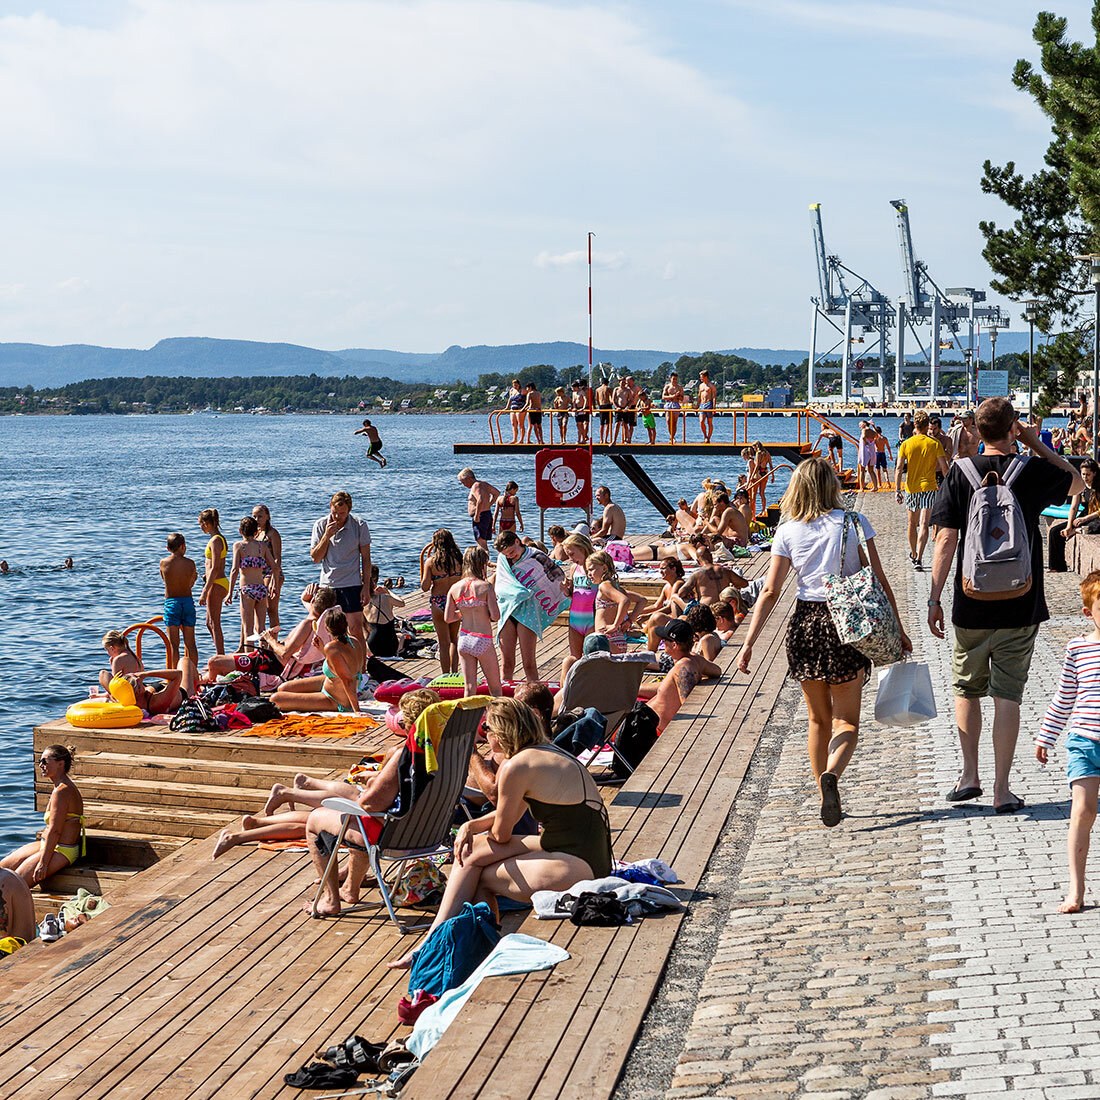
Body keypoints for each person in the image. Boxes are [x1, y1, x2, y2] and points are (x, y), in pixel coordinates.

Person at [738, 457, 911, 827]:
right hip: (846, 623)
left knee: (817, 719)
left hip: (806, 623)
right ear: (831, 485)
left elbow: (770, 590)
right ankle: (833, 774)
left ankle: (823, 793)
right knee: (846, 721)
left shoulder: (786, 531)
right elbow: (877, 579)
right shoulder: (852, 522)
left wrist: (749, 641)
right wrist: (898, 626)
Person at [928, 399, 1082, 814]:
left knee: (966, 689)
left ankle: (968, 777)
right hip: (1021, 601)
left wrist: (933, 598)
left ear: (977, 431)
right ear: (1014, 428)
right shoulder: (1029, 471)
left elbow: (945, 541)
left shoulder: (960, 474)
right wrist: (1038, 445)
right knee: (1007, 695)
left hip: (970, 602)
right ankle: (1001, 789)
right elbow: (1078, 484)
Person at [388, 697, 613, 967]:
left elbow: (502, 834)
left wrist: (472, 830)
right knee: (473, 852)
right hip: (585, 849)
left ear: (501, 732)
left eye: (486, 730)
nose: (485, 737)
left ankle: (457, 947)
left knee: (481, 875)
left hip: (577, 863)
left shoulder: (516, 766)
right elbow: (511, 814)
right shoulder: (546, 751)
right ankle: (438, 941)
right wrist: (470, 826)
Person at [304, 689, 444, 915]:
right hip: (432, 833)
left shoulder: (406, 754)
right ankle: (350, 888)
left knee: (316, 820)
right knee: (356, 821)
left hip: (397, 837)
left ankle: (330, 900)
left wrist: (365, 791)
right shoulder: (446, 751)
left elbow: (371, 804)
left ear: (406, 721)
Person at [1036, 571, 1100, 912]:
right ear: (1089, 612)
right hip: (1084, 743)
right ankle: (1076, 889)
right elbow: (1064, 696)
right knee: (1083, 810)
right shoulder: (1077, 648)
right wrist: (1047, 734)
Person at [2, 744, 85, 887]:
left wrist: (43, 863)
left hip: (61, 850)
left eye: (45, 761)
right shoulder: (58, 788)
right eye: (39, 761)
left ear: (60, 764)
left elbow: (55, 830)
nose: (41, 765)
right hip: (47, 844)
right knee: (2, 868)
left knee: (14, 885)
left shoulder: (63, 791)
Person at [494, 530, 568, 682]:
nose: (510, 555)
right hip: (508, 610)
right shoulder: (503, 559)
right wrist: (519, 592)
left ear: (517, 541)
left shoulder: (536, 556)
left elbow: (556, 576)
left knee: (529, 663)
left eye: (511, 552)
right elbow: (501, 584)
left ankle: (534, 695)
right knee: (506, 664)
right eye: (506, 554)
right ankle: (503, 699)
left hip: (528, 611)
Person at [635, 619, 722, 733]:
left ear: (674, 645)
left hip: (647, 729)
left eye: (665, 639)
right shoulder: (695, 660)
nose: (662, 641)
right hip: (647, 718)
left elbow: (687, 706)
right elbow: (717, 671)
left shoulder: (683, 669)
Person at [272, 608, 364, 714]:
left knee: (275, 699)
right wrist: (322, 649)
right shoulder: (354, 641)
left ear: (326, 628)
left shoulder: (332, 648)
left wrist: (356, 710)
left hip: (336, 699)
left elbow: (348, 680)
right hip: (331, 683)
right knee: (283, 688)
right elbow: (343, 664)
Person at [310, 491, 373, 647]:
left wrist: (366, 587)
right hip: (328, 585)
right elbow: (315, 558)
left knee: (356, 629)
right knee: (328, 632)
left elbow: (366, 559)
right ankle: (333, 666)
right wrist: (327, 535)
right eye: (335, 512)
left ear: (349, 511)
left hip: (351, 583)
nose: (338, 516)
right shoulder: (320, 525)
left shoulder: (359, 525)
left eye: (342, 513)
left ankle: (361, 667)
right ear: (330, 507)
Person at [894, 410, 948, 571]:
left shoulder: (906, 444)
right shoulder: (934, 443)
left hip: (912, 488)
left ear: (915, 426)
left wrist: (897, 489)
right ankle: (919, 557)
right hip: (930, 486)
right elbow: (944, 468)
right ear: (927, 426)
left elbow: (898, 468)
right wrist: (950, 485)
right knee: (924, 523)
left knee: (912, 523)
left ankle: (913, 552)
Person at [447, 546, 502, 696]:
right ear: (482, 564)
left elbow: (448, 617)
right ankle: (497, 718)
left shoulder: (454, 588)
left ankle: (468, 718)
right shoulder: (485, 587)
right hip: (482, 639)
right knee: (495, 688)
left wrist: (464, 612)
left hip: (464, 639)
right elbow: (495, 616)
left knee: (469, 688)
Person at [228, 516, 276, 647]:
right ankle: (262, 657)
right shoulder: (263, 546)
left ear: (240, 531)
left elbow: (234, 570)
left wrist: (230, 592)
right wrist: (274, 584)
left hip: (247, 590)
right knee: (261, 628)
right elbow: (274, 566)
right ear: (256, 532)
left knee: (248, 628)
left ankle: (248, 660)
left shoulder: (238, 546)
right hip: (261, 589)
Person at [421, 529, 463, 674]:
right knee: (454, 640)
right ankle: (455, 672)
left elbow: (425, 587)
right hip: (454, 601)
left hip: (438, 602)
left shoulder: (431, 562)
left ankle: (445, 675)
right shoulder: (459, 559)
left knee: (443, 643)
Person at [588, 550, 646, 653]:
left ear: (604, 568)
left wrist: (615, 625)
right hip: (619, 638)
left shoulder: (604, 586)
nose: (589, 574)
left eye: (591, 569)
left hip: (607, 638)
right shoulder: (616, 587)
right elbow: (642, 600)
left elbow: (624, 601)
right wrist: (629, 621)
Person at [1051, 458, 1100, 572]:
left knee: (1094, 527)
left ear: (1094, 473)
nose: (1085, 477)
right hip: (1085, 513)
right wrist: (1069, 526)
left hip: (1095, 515)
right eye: (1083, 474)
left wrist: (1085, 519)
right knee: (1055, 532)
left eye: (1088, 474)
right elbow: (1074, 506)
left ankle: (1078, 530)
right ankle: (1057, 566)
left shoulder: (1098, 486)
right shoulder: (1081, 485)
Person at [160, 532, 198, 669]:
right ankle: (193, 675)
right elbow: (191, 583)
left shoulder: (163, 563)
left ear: (168, 548)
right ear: (183, 546)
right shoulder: (190, 563)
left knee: (173, 645)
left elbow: (165, 580)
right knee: (190, 644)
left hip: (172, 603)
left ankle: (173, 676)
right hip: (187, 602)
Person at [198, 508, 229, 656]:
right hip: (214, 581)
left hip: (217, 582)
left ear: (208, 523)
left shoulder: (216, 540)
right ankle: (219, 654)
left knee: (214, 623)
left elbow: (216, 567)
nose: (200, 527)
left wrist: (205, 591)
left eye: (201, 523)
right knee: (209, 623)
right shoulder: (216, 539)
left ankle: (220, 656)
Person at [562, 532, 597, 658]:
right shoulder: (574, 568)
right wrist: (566, 590)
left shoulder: (596, 567)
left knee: (592, 657)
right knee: (574, 658)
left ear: (582, 549)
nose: (570, 558)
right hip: (575, 619)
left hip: (592, 618)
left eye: (572, 554)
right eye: (567, 555)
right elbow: (573, 594)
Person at [252, 504, 284, 633]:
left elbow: (277, 558)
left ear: (267, 516)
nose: (256, 519)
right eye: (254, 516)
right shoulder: (256, 534)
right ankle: (262, 641)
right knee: (259, 609)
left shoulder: (272, 534)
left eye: (260, 516)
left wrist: (273, 578)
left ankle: (273, 643)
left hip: (272, 573)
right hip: (260, 574)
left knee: (271, 609)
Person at [363, 564, 405, 658]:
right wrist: (388, 591)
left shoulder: (362, 601)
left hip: (372, 643)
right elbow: (402, 603)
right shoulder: (386, 597)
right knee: (401, 636)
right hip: (390, 645)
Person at [457, 468, 500, 551]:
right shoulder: (484, 484)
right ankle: (486, 562)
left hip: (480, 516)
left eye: (463, 482)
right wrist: (489, 504)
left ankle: (484, 562)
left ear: (468, 478)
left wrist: (477, 515)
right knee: (483, 542)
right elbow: (496, 493)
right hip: (486, 514)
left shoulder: (475, 485)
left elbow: (480, 499)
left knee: (481, 542)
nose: (464, 485)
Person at [0, 868, 34, 943]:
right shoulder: (9, 876)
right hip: (26, 946)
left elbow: (3, 937)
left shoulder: (2, 885)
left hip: (15, 951)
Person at [662, 372, 685, 443]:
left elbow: (682, 398)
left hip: (676, 404)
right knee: (668, 421)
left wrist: (678, 396)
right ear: (670, 379)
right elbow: (663, 397)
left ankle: (672, 437)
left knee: (674, 422)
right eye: (673, 379)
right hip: (668, 404)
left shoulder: (679, 387)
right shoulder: (667, 386)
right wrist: (672, 396)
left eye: (676, 379)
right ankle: (671, 436)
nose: (675, 380)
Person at [857, 421, 876, 492]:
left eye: (860, 424)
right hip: (871, 450)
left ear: (864, 424)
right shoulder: (872, 431)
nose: (859, 426)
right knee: (871, 470)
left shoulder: (864, 430)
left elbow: (864, 437)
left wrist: (867, 442)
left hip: (864, 450)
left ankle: (861, 488)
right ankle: (875, 486)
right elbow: (876, 436)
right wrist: (870, 443)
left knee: (862, 469)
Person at [698, 370, 716, 443]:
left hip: (709, 404)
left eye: (702, 377)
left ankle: (708, 437)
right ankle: (705, 435)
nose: (700, 378)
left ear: (706, 377)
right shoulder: (700, 385)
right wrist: (697, 404)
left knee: (709, 422)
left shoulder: (711, 386)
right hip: (702, 404)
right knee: (701, 421)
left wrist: (714, 407)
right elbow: (699, 395)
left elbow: (714, 396)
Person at [570, 380, 590, 444]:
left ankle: (583, 439)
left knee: (583, 424)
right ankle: (579, 439)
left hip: (582, 409)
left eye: (573, 388)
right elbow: (573, 401)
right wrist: (573, 407)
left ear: (576, 387)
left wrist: (584, 407)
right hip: (577, 410)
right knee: (578, 425)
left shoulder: (581, 392)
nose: (572, 389)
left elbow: (585, 399)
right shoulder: (573, 393)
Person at [505, 379, 524, 443]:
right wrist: (507, 407)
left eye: (516, 385)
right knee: (513, 424)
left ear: (519, 385)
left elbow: (527, 399)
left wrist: (525, 407)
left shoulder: (522, 391)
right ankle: (514, 439)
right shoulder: (512, 390)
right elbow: (510, 399)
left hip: (520, 408)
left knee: (521, 424)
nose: (515, 386)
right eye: (514, 385)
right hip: (513, 408)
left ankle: (521, 440)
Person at [596, 378, 613, 445]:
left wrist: (598, 406)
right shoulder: (608, 388)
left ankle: (601, 439)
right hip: (607, 405)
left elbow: (597, 399)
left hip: (601, 406)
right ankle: (605, 439)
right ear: (607, 382)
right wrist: (612, 402)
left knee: (601, 424)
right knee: (608, 424)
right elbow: (612, 397)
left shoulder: (597, 389)